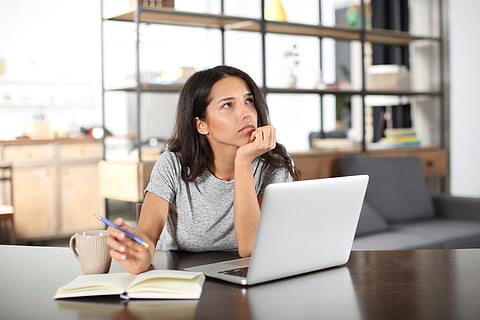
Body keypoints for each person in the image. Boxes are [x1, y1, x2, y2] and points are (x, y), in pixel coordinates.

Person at [106, 65, 300, 274]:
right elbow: (147, 236)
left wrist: (243, 162)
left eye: (248, 100)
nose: (246, 114)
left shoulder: (274, 164)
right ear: (201, 125)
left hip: (244, 279)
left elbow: (251, 247)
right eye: (228, 105)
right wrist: (139, 252)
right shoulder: (173, 163)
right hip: (182, 278)